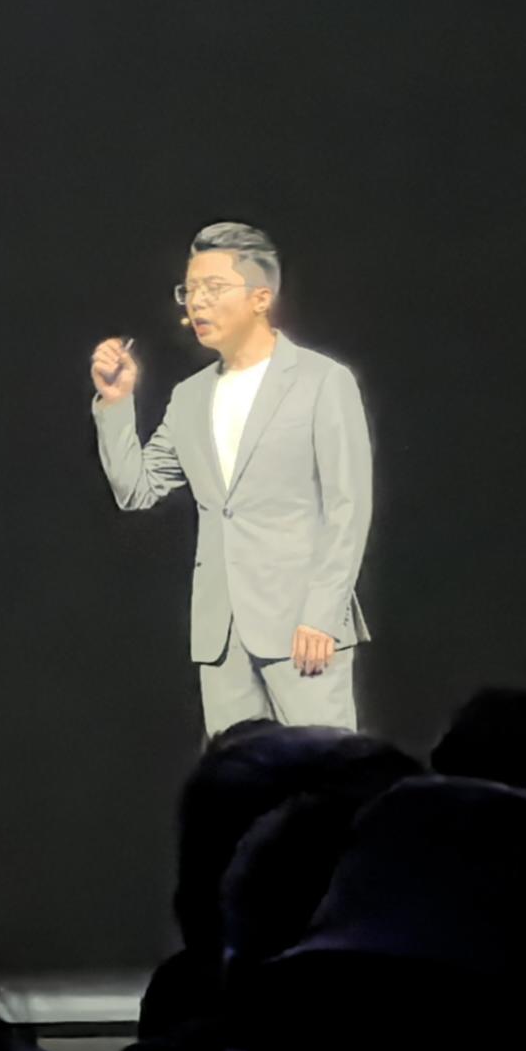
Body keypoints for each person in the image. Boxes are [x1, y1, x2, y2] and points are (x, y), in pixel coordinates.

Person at [89, 222, 376, 735]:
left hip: (302, 628)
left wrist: (322, 614)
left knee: (324, 768)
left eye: (213, 288)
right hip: (221, 635)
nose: (197, 302)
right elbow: (136, 490)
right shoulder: (190, 396)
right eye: (189, 290)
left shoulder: (322, 382)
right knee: (237, 774)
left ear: (261, 298)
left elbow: (347, 508)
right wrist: (116, 402)